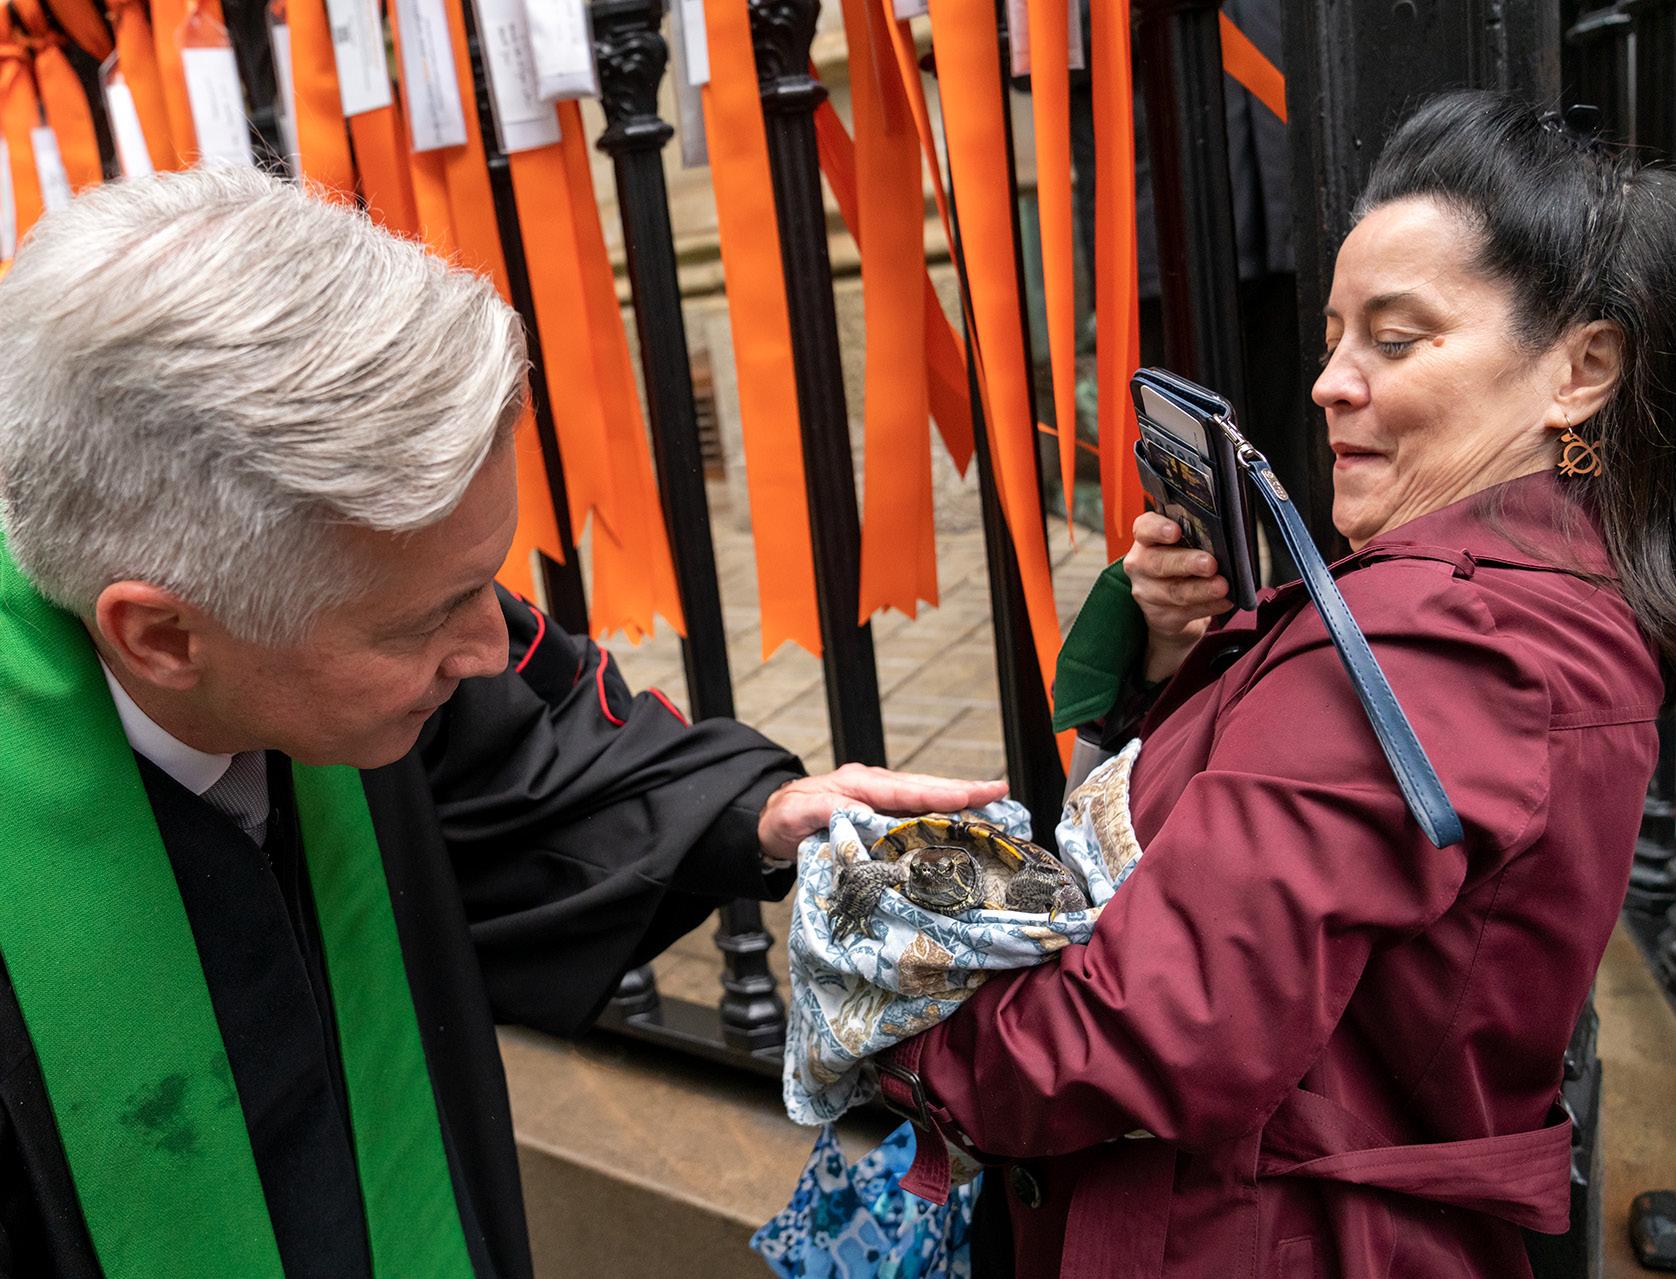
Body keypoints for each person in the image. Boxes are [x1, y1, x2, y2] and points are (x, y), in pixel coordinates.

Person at [0, 168, 1006, 1278]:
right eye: (427, 618)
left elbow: (536, 762)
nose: (490, 647)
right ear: (161, 636)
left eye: (488, 581)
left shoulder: (343, 601)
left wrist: (756, 812)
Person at [878, 89, 1676, 1277]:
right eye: (1333, 338)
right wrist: (1170, 649)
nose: (1328, 383)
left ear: (1579, 369)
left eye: (1394, 340)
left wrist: (907, 1043)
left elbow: (1151, 1025)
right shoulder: (1533, 584)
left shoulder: (1437, 638)